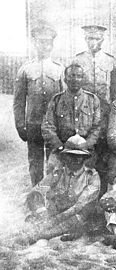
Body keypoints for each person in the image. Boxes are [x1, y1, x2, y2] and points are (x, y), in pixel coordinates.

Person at [15, 135, 100, 245]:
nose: (76, 159)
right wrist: (41, 210)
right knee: (28, 226)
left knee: (42, 236)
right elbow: (36, 192)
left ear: (85, 158)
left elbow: (78, 206)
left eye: (80, 156)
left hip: (77, 218)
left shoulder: (92, 176)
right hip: (54, 214)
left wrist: (51, 221)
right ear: (65, 157)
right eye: (71, 155)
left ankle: (38, 236)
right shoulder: (58, 174)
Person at [13, 23, 65, 186]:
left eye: (48, 43)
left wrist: (62, 125)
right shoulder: (25, 70)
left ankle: (51, 193)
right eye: (41, 42)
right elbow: (19, 101)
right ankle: (36, 194)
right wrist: (20, 125)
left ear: (52, 45)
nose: (44, 46)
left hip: (53, 125)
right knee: (35, 162)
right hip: (33, 123)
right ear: (34, 43)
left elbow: (63, 101)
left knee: (54, 160)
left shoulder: (59, 70)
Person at [73, 25, 116, 186]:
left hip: (105, 115)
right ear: (85, 39)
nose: (93, 42)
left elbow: (115, 91)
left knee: (104, 152)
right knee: (85, 152)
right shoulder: (77, 60)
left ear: (103, 40)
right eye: (90, 38)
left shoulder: (110, 61)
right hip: (84, 114)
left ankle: (102, 191)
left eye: (97, 38)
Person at [42, 63, 102, 178]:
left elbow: (97, 127)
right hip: (62, 148)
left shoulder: (92, 100)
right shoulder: (57, 100)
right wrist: (59, 146)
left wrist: (86, 145)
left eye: (78, 76)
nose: (75, 79)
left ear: (83, 79)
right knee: (53, 169)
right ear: (65, 79)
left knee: (91, 173)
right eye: (71, 76)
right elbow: (47, 127)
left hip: (85, 150)